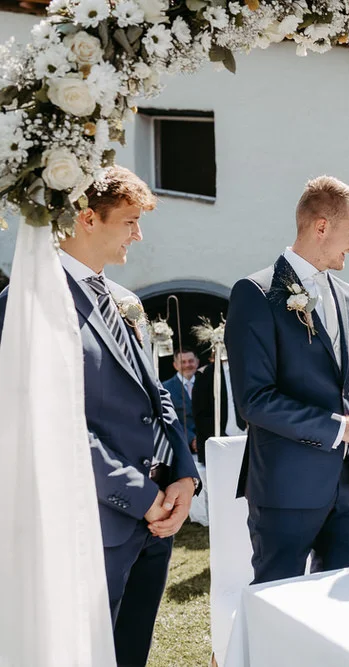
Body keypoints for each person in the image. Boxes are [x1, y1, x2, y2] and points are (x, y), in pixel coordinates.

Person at [0, 166, 200, 666]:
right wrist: (140, 496)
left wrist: (182, 475)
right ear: (87, 218)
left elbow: (159, 396)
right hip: (95, 520)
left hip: (157, 520)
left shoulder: (122, 300)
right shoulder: (28, 304)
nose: (139, 233)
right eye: (131, 220)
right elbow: (49, 423)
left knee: (132, 652)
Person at [225, 176, 349, 584]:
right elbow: (255, 400)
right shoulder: (256, 293)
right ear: (321, 227)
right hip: (287, 489)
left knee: (340, 612)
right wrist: (340, 428)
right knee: (275, 608)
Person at [191, 347, 246, 464]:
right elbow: (201, 414)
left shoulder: (246, 370)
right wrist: (222, 440)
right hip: (220, 443)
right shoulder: (206, 374)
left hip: (249, 439)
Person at [162, 348, 198, 453]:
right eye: (183, 362)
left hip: (208, 444)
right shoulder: (165, 388)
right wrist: (192, 439)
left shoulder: (208, 384)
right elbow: (170, 420)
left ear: (197, 362)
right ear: (175, 365)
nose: (187, 365)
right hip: (180, 448)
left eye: (191, 361)